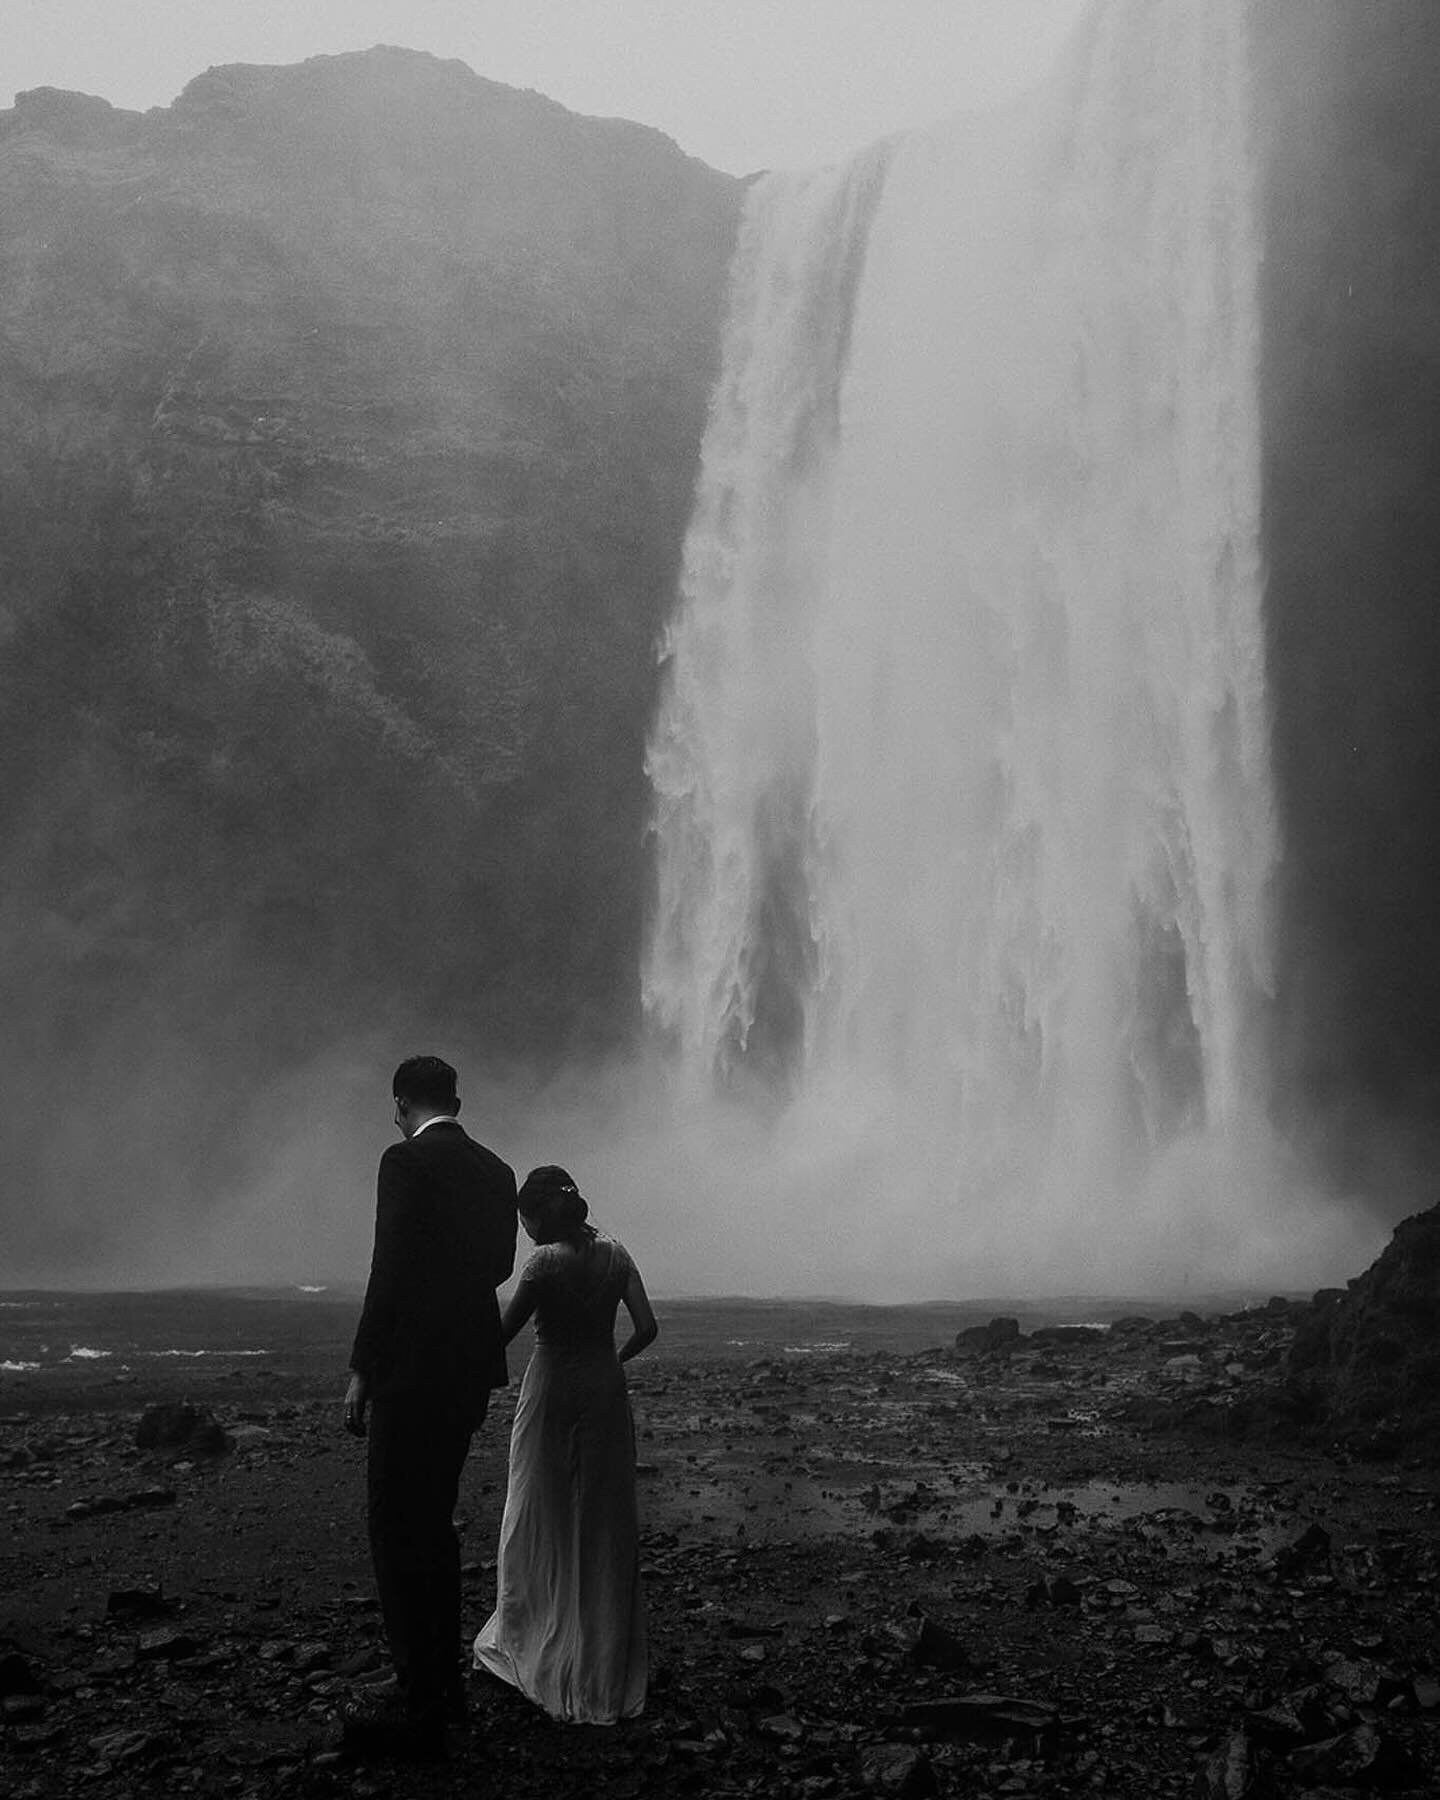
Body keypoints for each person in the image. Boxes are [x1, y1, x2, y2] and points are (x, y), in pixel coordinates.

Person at [342, 1055, 517, 1760]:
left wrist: (361, 1368)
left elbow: (389, 1268)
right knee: (435, 1525)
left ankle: (420, 1701)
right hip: (468, 1370)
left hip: (410, 1370)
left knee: (392, 1526)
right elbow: (502, 1267)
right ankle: (444, 1686)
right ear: (457, 1099)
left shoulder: (402, 1163)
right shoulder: (497, 1170)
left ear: (402, 1103)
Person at [473, 1165, 657, 1724]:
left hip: (551, 1389)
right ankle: (605, 1658)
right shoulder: (616, 1255)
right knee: (603, 1517)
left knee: (539, 1509)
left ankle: (538, 1635)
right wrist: (609, 1361)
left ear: (536, 1217)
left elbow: (499, 1336)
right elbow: (647, 1327)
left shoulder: (544, 1263)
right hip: (603, 1389)